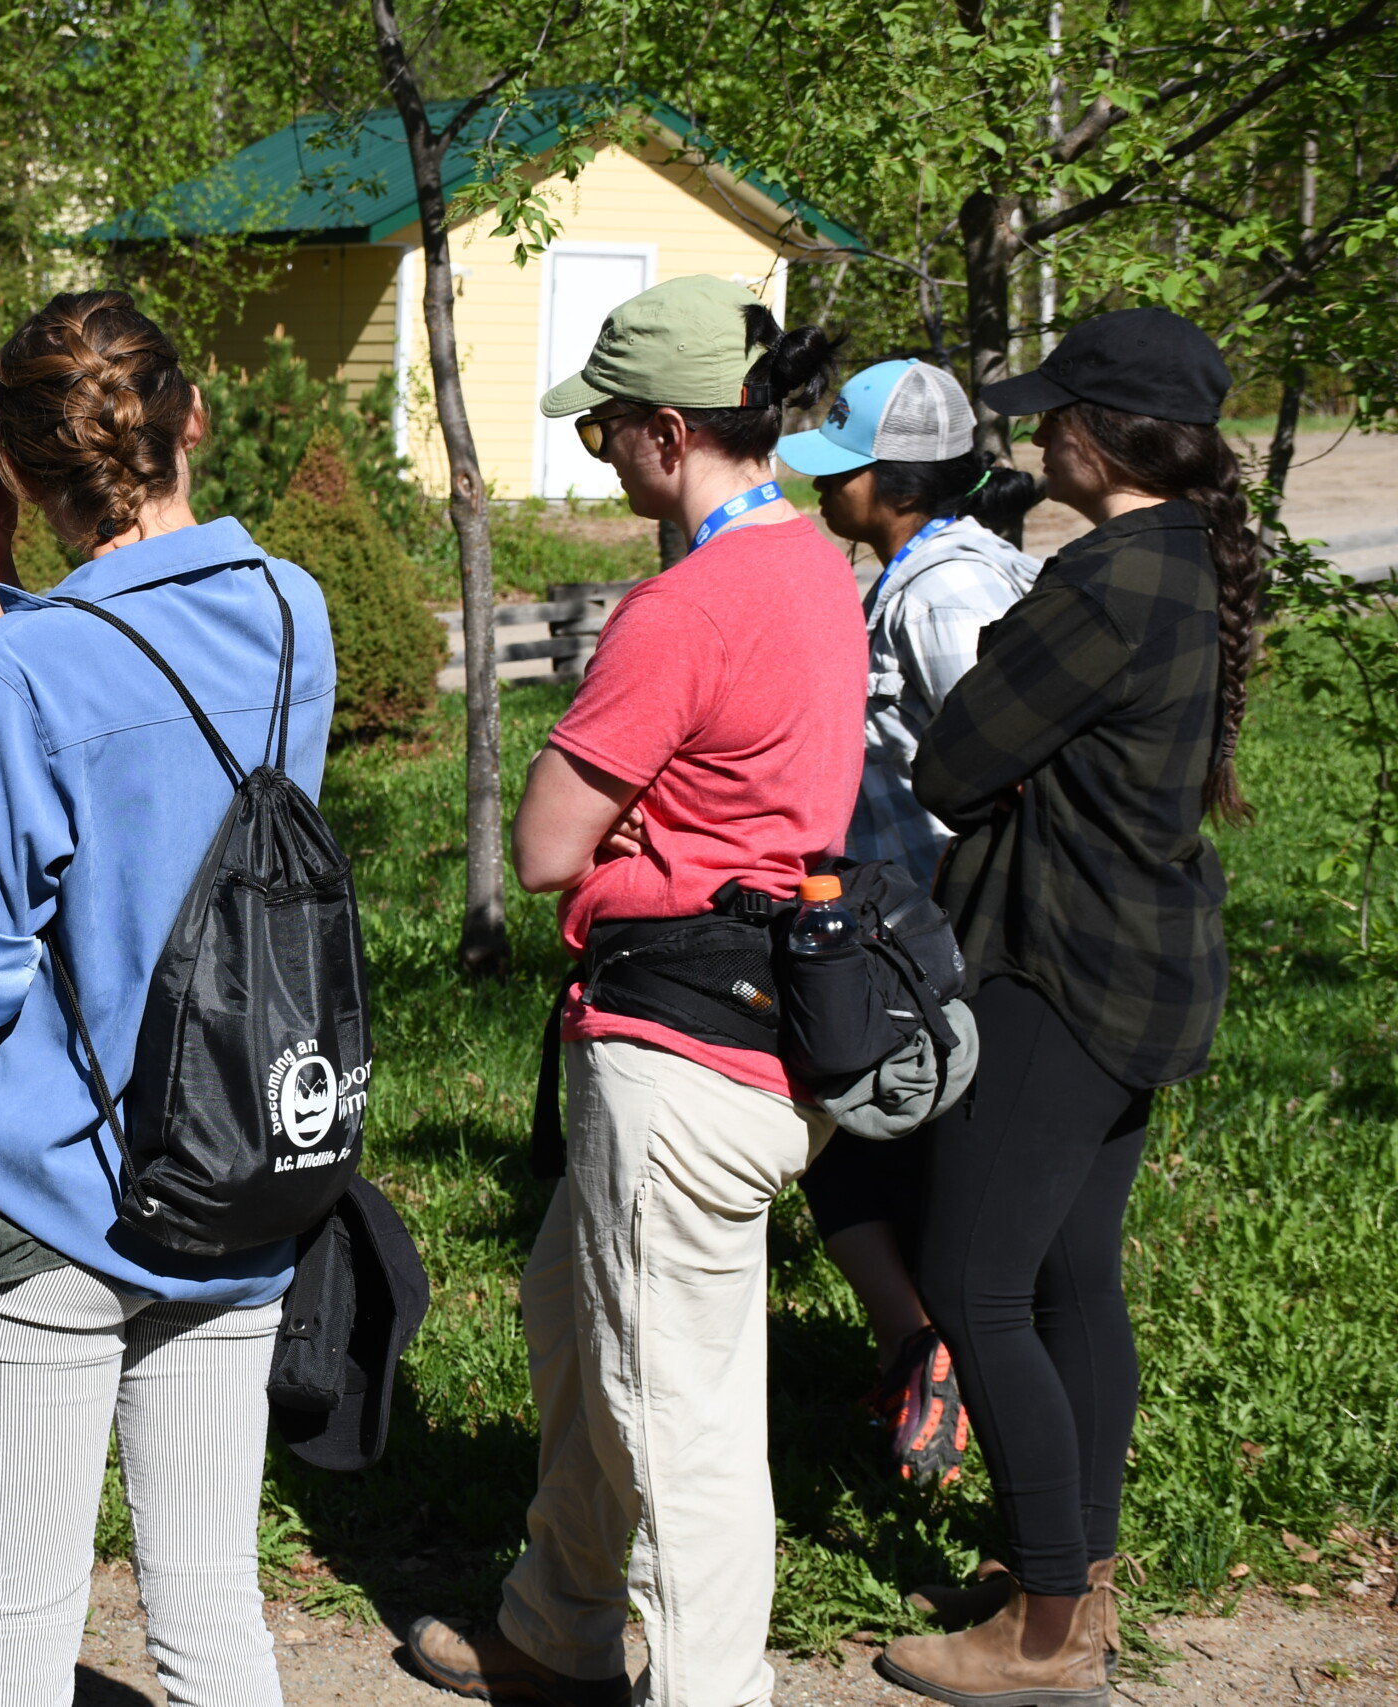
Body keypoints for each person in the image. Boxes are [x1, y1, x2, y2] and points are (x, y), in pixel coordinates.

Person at [405, 274, 859, 1707]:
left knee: (680, 1420)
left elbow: (544, 845)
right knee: (569, 1311)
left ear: (670, 431)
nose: (599, 457)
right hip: (774, 1023)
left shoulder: (689, 603)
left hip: (675, 1056)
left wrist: (614, 790)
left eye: (603, 434)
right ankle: (560, 1623)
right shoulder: (816, 570)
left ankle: (708, 1686)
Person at [0, 290, 335, 1707]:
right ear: (194, 417)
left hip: (44, 1197)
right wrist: (1, 574)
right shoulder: (294, 613)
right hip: (232, 1173)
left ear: (16, 472)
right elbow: (161, 777)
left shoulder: (9, 671)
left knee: (15, 1640)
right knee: (214, 1609)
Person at [873, 308, 1254, 1707]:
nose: (1035, 436)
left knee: (976, 1278)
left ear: (1099, 433)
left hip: (1056, 962)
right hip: (1145, 959)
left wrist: (1013, 765)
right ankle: (1074, 1580)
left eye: (1052, 416)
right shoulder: (1183, 561)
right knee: (1071, 1272)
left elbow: (956, 761)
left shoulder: (1098, 583)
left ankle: (1041, 1631)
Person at [774, 358, 1045, 1486]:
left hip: (932, 933)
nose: (825, 491)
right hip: (905, 925)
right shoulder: (919, 570)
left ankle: (930, 1351)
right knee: (851, 1136)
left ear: (893, 483)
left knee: (866, 1133)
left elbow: (1005, 753)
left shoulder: (942, 594)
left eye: (842, 473)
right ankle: (917, 1344)